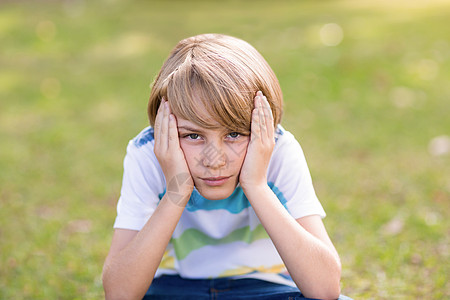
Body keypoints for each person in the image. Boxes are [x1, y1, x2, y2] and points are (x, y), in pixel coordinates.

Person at [102, 33, 351, 300]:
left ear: (261, 127)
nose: (215, 159)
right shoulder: (149, 154)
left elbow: (325, 289)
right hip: (171, 289)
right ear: (166, 128)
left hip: (265, 287)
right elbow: (120, 293)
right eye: (193, 136)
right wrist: (177, 191)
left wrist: (256, 185)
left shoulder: (278, 152)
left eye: (233, 134)